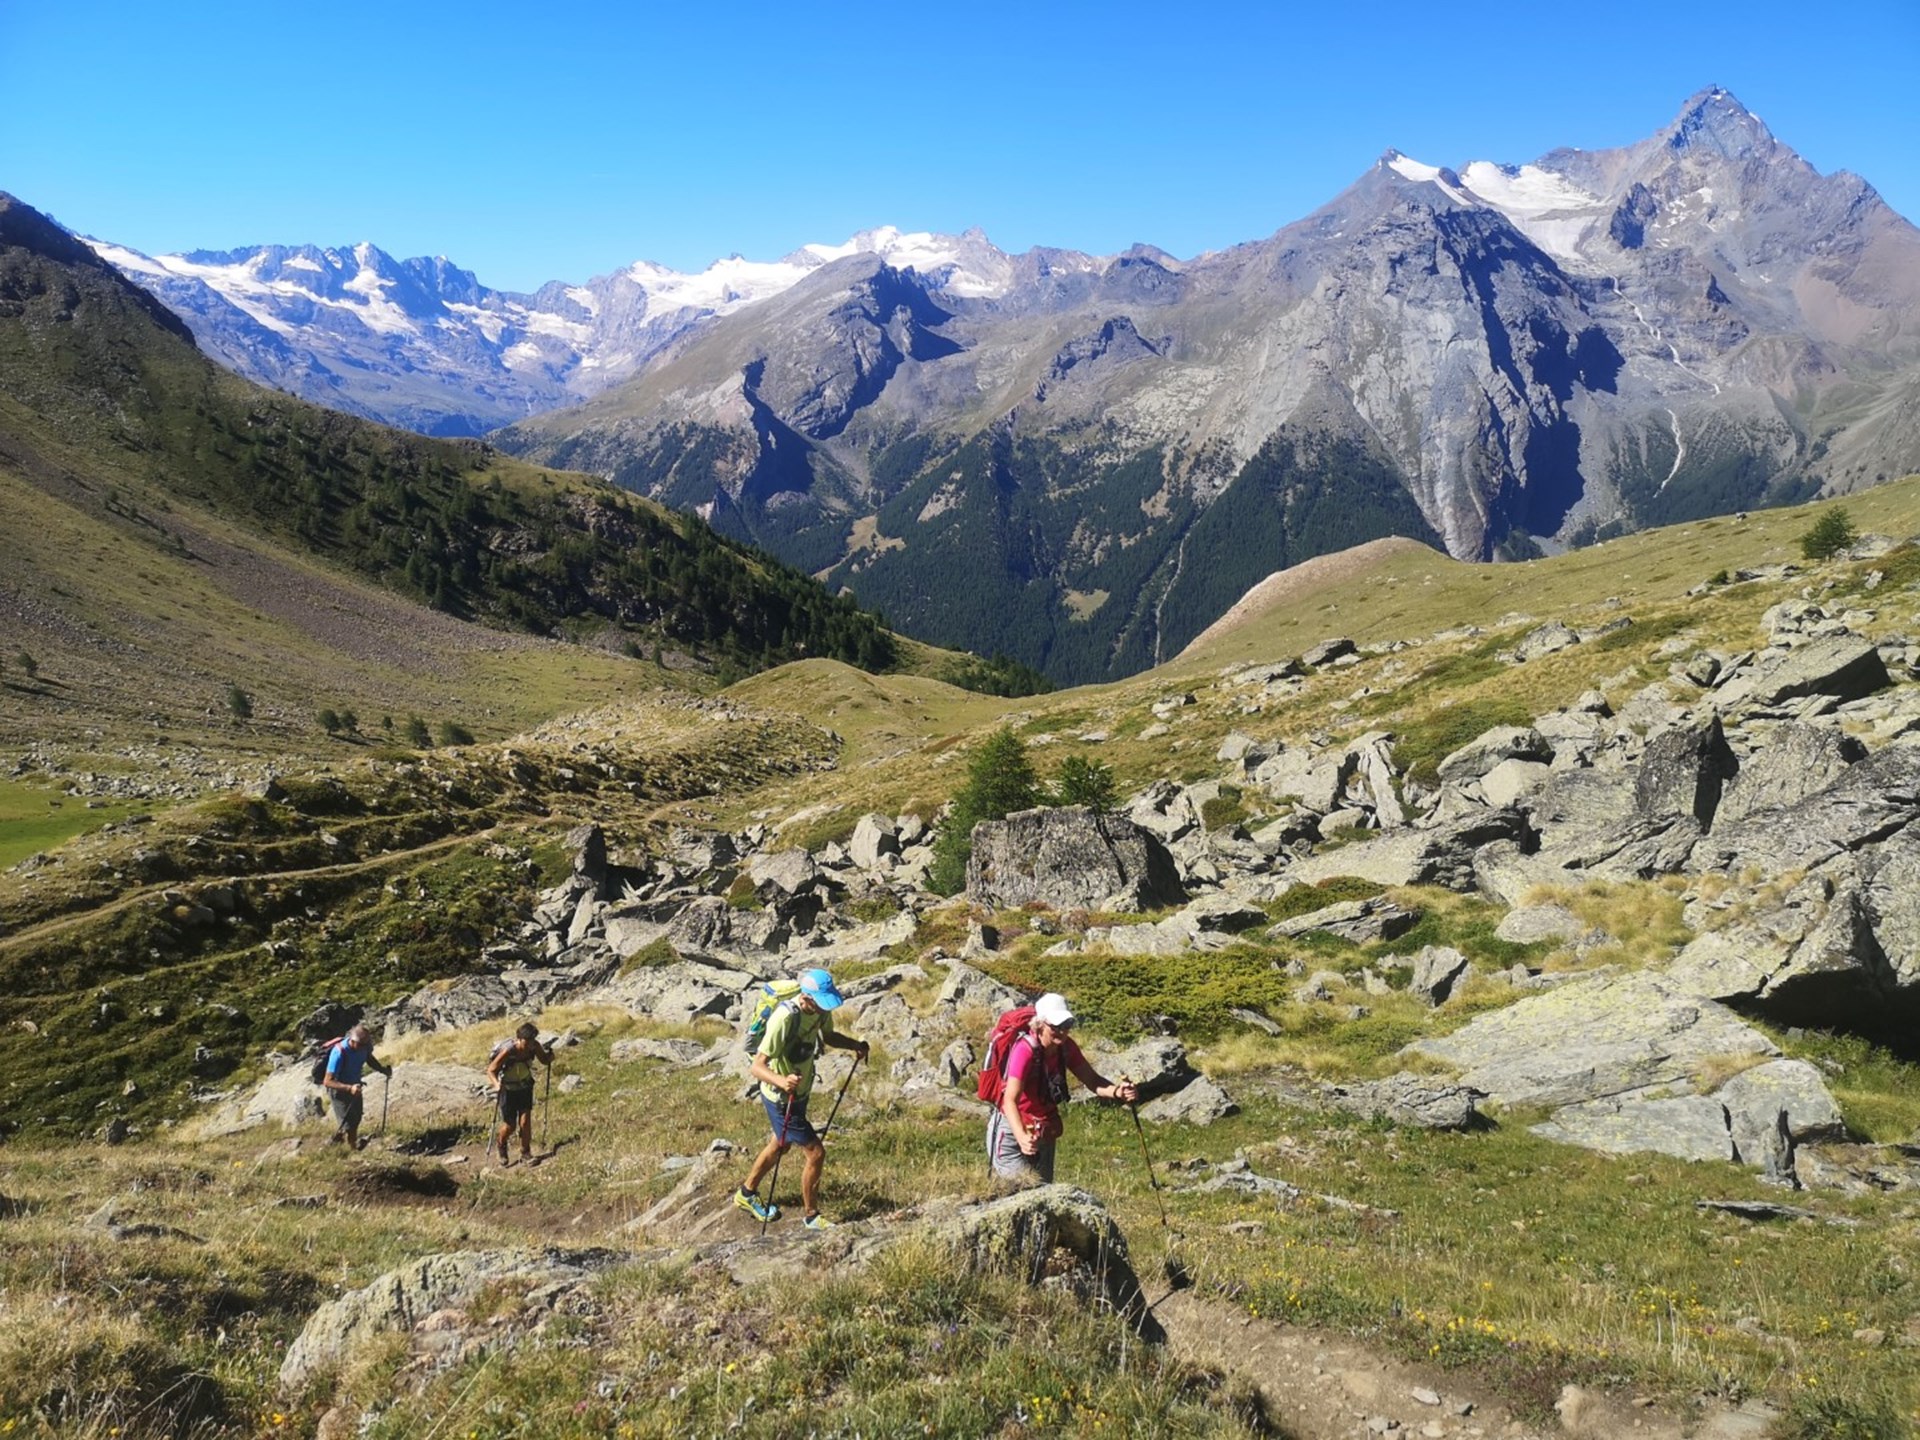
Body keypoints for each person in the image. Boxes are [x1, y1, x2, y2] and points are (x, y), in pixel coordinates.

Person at [734, 967, 869, 1229]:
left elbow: (829, 1037)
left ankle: (746, 1193)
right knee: (816, 1153)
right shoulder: (784, 1018)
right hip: (780, 1097)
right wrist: (781, 1081)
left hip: (800, 1091)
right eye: (820, 1003)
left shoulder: (820, 1010)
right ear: (806, 997)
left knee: (780, 1143)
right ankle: (811, 1216)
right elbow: (757, 1066)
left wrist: (855, 1045)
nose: (824, 1008)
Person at [988, 992, 1136, 1187]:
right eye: (1056, 1026)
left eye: (1067, 1025)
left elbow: (1092, 1080)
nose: (1063, 1032)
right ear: (1039, 1024)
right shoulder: (1024, 1050)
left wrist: (1118, 1092)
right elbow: (1010, 1100)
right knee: (1020, 1191)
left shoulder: (1066, 1047)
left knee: (1043, 1194)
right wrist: (1021, 1137)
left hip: (1044, 1131)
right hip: (1011, 1133)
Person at [486, 1022, 554, 1167]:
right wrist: (496, 1085)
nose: (530, 1044)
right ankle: (501, 1144)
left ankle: (525, 1153)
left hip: (525, 1086)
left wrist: (549, 1057)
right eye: (527, 1041)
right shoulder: (508, 1050)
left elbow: (544, 1060)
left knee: (525, 1122)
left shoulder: (534, 1046)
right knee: (510, 1125)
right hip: (508, 1090)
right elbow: (491, 1070)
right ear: (519, 1039)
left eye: (532, 1040)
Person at [322, 1025, 392, 1151]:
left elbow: (369, 1059)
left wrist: (382, 1070)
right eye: (361, 1045)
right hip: (339, 1090)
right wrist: (349, 1088)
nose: (363, 1048)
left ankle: (343, 1141)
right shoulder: (339, 1052)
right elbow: (327, 1081)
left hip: (355, 1087)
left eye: (365, 1045)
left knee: (356, 1118)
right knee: (348, 1124)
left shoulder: (364, 1047)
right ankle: (351, 1149)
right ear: (352, 1041)